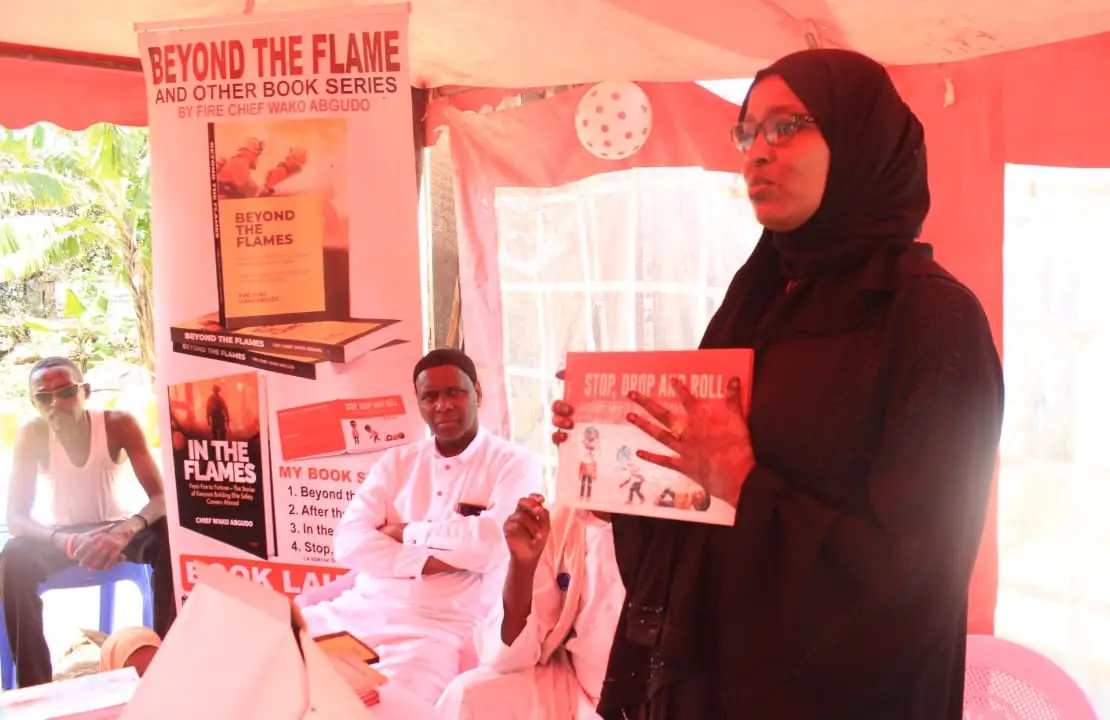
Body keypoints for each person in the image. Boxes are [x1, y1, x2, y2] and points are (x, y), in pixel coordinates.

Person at [551, 49, 1004, 719]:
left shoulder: (930, 320)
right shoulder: (756, 301)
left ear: (860, 140)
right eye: (747, 131)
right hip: (714, 681)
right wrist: (617, 458)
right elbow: (701, 495)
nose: (757, 152)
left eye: (786, 126)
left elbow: (917, 577)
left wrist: (746, 483)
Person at [302, 348, 542, 704]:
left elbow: (494, 546)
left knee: (390, 704)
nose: (442, 405)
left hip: (436, 629)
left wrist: (404, 533)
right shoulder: (397, 462)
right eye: (430, 397)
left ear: (477, 392)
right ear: (419, 403)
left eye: (454, 392)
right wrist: (438, 559)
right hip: (360, 608)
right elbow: (349, 543)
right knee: (277, 651)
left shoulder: (514, 464)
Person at [1, 357, 175, 688]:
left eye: (66, 392)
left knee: (167, 535)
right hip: (60, 539)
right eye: (44, 397)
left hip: (118, 530)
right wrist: (62, 540)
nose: (55, 403)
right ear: (34, 404)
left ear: (86, 392)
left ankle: (166, 663)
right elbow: (17, 518)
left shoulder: (118, 424)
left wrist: (126, 530)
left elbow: (161, 498)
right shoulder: (32, 434)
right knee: (13, 556)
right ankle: (34, 688)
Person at [436, 494, 623, 719]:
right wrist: (522, 565)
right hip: (576, 695)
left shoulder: (664, 528)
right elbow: (509, 659)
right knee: (469, 695)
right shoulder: (563, 521)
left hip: (653, 703)